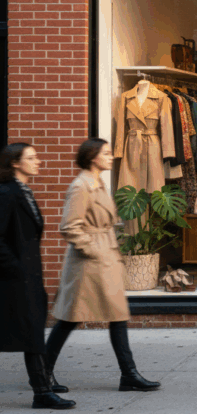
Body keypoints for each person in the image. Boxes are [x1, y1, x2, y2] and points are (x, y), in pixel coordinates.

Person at [46, 138, 162, 393]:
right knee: (70, 319)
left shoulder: (98, 183)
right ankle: (43, 373)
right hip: (89, 265)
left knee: (117, 316)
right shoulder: (81, 186)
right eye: (106, 153)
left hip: (105, 261)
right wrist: (94, 251)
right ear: (92, 157)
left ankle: (129, 374)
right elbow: (69, 227)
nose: (111, 156)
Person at [0, 143, 77, 410]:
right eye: (31, 158)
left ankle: (43, 388)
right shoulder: (7, 193)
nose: (39, 161)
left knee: (32, 333)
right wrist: (16, 269)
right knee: (31, 334)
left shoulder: (23, 191)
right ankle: (42, 391)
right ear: (14, 163)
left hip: (29, 277)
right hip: (16, 279)